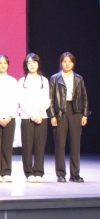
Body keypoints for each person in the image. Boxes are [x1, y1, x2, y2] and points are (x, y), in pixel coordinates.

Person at [49, 52, 89, 183]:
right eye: (64, 61)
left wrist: (84, 114)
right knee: (60, 144)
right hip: (60, 112)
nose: (67, 64)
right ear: (61, 63)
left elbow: (84, 97)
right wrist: (52, 115)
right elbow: (50, 98)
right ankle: (61, 174)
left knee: (75, 144)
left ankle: (75, 174)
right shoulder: (55, 78)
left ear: (73, 63)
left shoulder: (79, 78)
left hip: (75, 111)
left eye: (69, 61)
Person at [17, 53, 49, 183]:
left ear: (38, 64)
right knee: (27, 146)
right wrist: (31, 114)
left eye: (34, 62)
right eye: (29, 63)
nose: (32, 65)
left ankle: (38, 172)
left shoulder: (44, 80)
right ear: (26, 65)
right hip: (27, 117)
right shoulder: (22, 81)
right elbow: (21, 100)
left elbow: (47, 99)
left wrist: (40, 113)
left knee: (40, 146)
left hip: (42, 117)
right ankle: (29, 172)